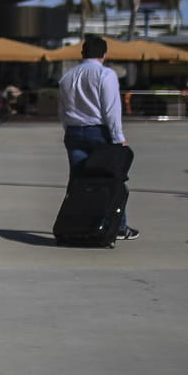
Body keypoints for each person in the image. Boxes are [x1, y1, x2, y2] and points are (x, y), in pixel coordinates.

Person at [56, 35, 136, 239]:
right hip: (99, 131)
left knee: (77, 180)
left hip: (74, 132)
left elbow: (63, 109)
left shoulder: (68, 76)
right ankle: (117, 226)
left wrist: (68, 129)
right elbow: (111, 110)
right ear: (105, 54)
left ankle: (75, 223)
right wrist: (119, 138)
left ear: (82, 53)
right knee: (111, 179)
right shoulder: (105, 74)